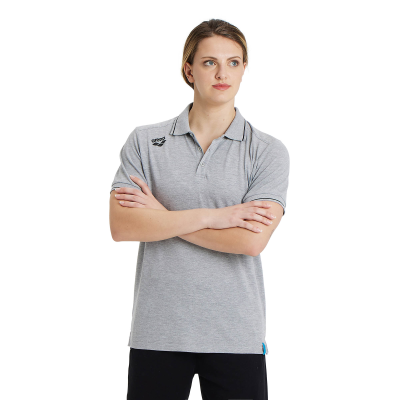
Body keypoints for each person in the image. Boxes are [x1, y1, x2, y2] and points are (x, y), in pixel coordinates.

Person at [109, 18, 290, 400]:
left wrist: (160, 216)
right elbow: (123, 225)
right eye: (210, 62)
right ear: (189, 70)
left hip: (235, 333)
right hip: (158, 331)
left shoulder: (267, 151)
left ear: (244, 69)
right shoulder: (145, 142)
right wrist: (214, 216)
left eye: (233, 62)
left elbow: (251, 242)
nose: (222, 73)